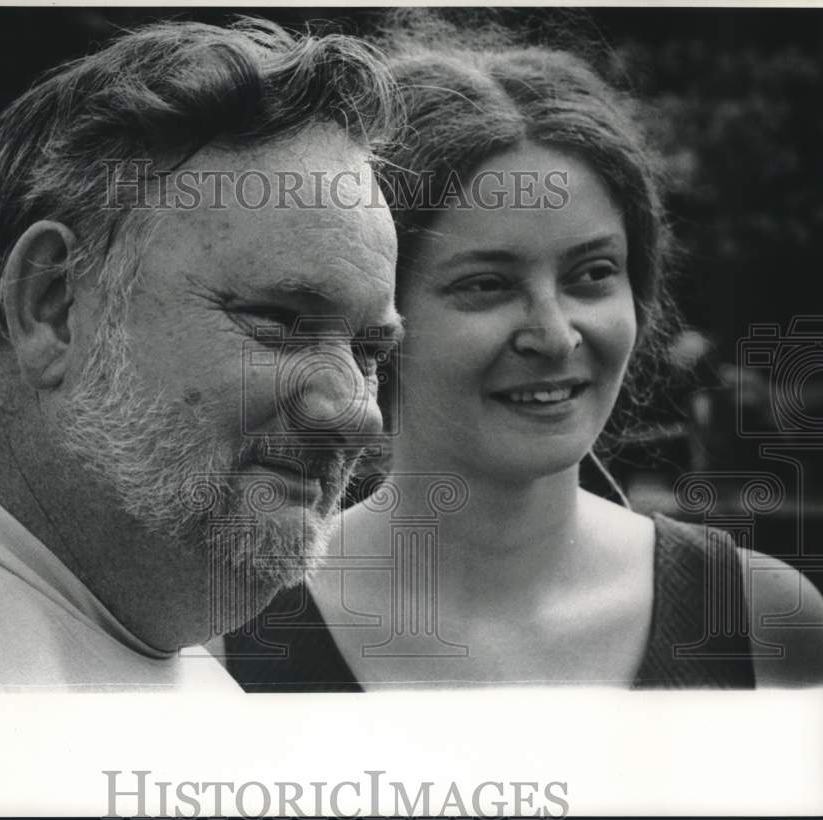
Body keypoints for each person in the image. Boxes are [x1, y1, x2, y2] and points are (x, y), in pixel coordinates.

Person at [224, 28, 823, 688]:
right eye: (488, 284)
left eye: (592, 274)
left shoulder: (765, 622)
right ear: (374, 319)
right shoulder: (231, 635)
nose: (556, 334)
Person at [0, 18, 404, 692]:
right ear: (52, 306)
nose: (360, 418)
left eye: (368, 350)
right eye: (279, 322)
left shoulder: (197, 686)